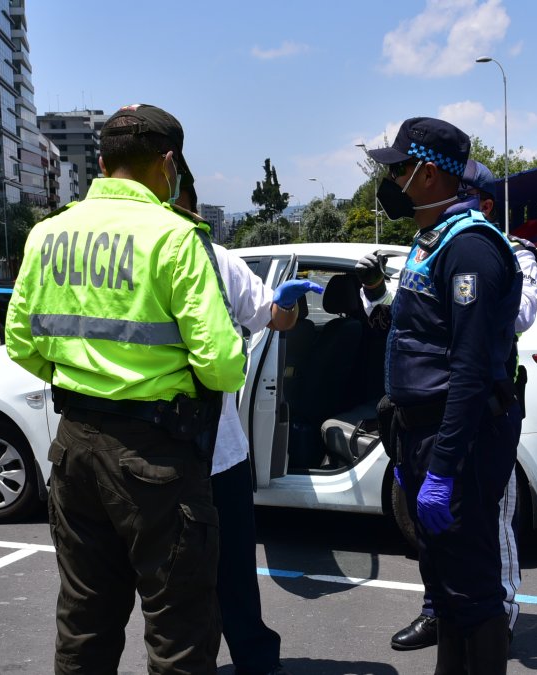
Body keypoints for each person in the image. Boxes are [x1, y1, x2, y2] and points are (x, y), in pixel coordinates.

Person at [4, 103, 246, 675]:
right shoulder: (176, 237)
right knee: (178, 630)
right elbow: (221, 366)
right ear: (167, 163)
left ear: (103, 160)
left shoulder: (48, 234)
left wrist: (86, 379)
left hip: (75, 448)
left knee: (85, 620)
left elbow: (20, 342)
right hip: (156, 459)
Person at [366, 117, 522, 674]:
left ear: (429, 174)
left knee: (474, 592)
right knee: (446, 584)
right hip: (422, 436)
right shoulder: (432, 242)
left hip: (458, 440)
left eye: (399, 168)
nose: (392, 179)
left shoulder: (471, 251)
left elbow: (472, 370)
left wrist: (445, 467)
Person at [178, 178, 321, 675]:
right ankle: (252, 660)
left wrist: (283, 305)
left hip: (126, 454)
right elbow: (272, 323)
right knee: (231, 570)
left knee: (157, 581)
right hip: (212, 450)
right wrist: (287, 304)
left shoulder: (91, 254)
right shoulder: (209, 258)